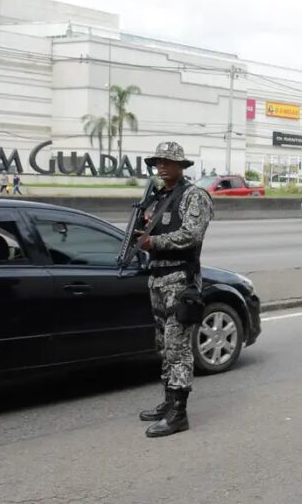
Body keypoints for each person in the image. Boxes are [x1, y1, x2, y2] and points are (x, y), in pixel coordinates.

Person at [134, 142, 214, 438]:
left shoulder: (194, 196)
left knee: (178, 347)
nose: (162, 166)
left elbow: (192, 234)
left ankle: (179, 413)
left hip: (180, 280)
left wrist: (153, 242)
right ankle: (169, 402)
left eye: (168, 161)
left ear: (181, 165)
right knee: (164, 345)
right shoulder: (158, 198)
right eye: (159, 162)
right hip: (157, 278)